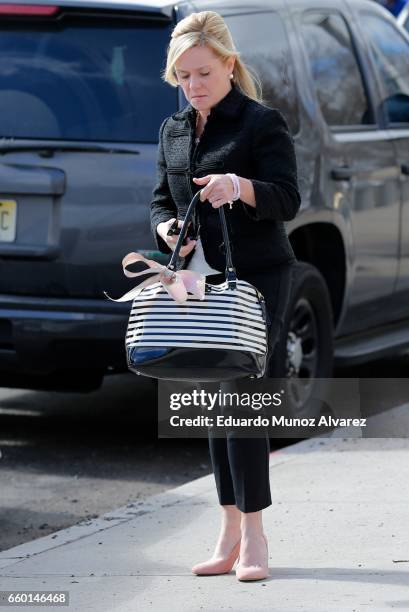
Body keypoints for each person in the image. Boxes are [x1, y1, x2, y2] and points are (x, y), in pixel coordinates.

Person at [150, 11, 301, 581]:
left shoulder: (260, 123)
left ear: (229, 65)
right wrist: (167, 229)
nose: (194, 85)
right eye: (183, 76)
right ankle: (228, 528)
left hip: (259, 278)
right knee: (213, 404)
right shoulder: (173, 129)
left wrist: (236, 188)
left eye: (204, 72)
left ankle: (254, 534)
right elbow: (160, 201)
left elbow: (287, 198)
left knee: (242, 403)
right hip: (198, 283)